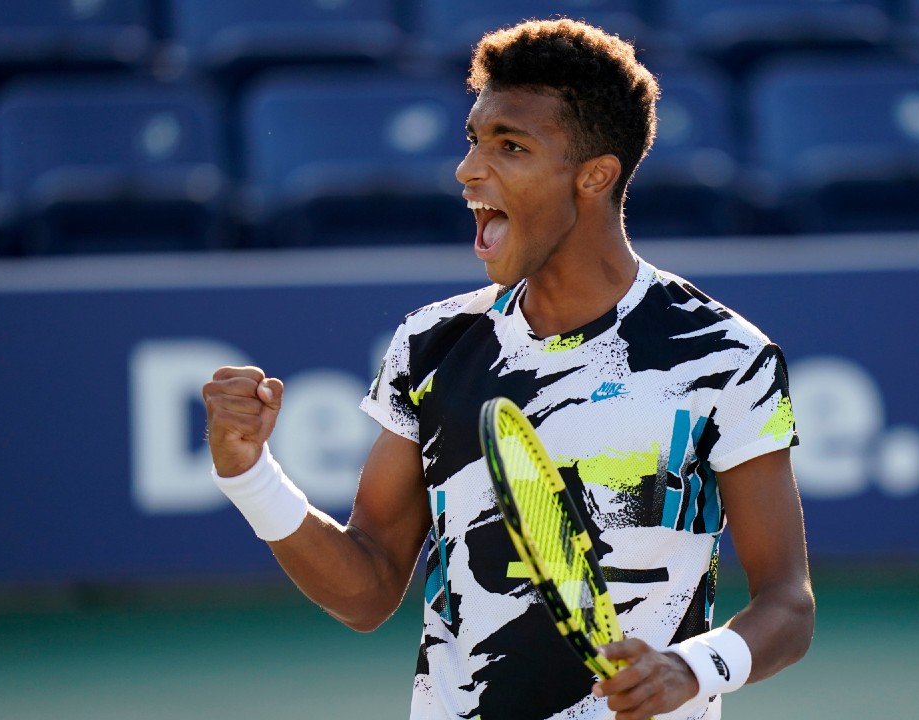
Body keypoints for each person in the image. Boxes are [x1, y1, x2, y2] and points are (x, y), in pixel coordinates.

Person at [203, 18, 814, 720]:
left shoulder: (725, 355)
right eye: (473, 139)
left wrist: (691, 666)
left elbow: (787, 603)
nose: (467, 169)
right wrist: (249, 475)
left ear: (595, 176)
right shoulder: (431, 345)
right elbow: (367, 592)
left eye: (510, 146)